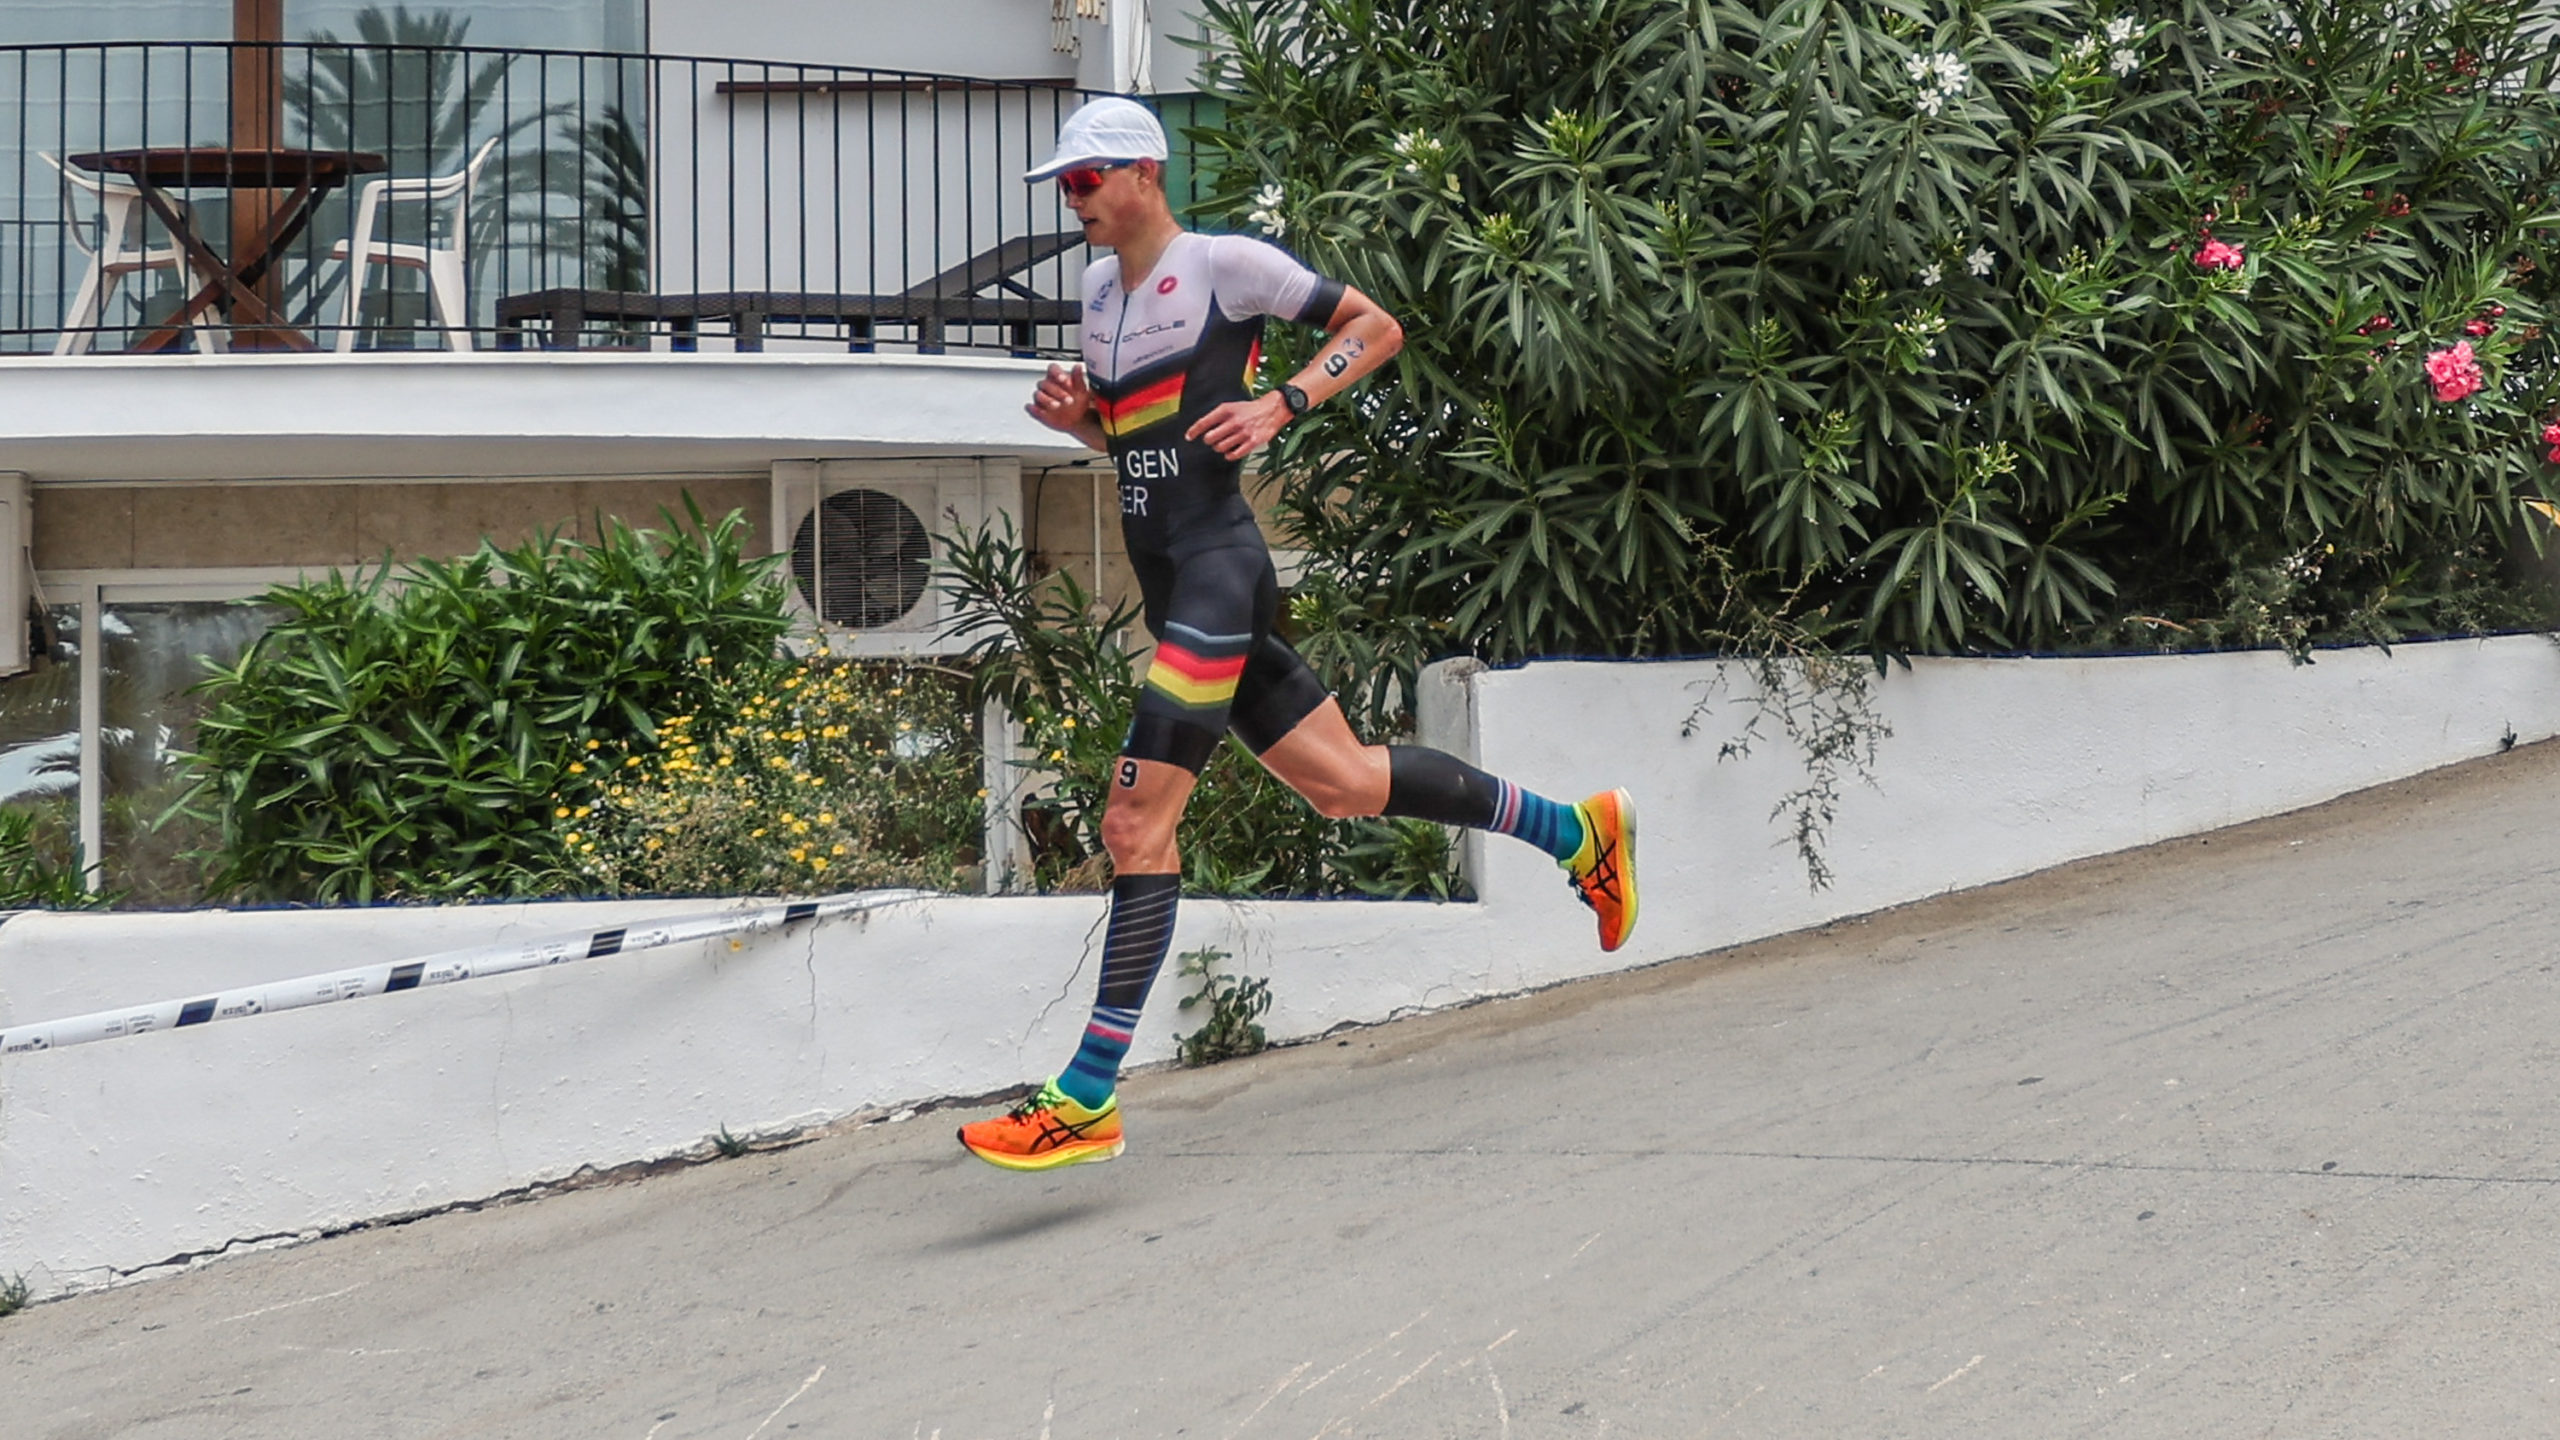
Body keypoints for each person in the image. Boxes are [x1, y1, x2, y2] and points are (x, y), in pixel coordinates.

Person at [957, 97, 1636, 1172]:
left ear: (1143, 172)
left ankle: (1086, 1098)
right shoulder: (1094, 297)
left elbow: (1374, 327)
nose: (1072, 202)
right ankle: (1579, 832)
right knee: (1346, 784)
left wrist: (1283, 405)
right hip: (1175, 581)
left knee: (1135, 827)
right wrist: (1077, 424)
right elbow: (1137, 441)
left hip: (1221, 578)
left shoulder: (1225, 265)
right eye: (1064, 187)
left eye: (1085, 182)